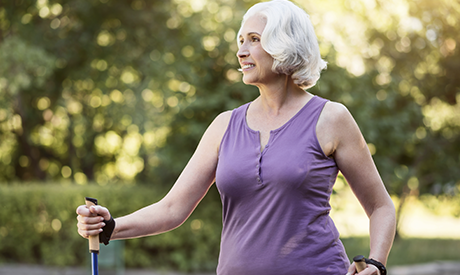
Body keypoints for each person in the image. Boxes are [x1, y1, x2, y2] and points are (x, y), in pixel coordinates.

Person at [76, 0, 396, 274]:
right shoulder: (224, 126)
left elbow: (381, 206)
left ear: (285, 43)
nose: (241, 51)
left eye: (254, 39)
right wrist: (110, 227)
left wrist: (376, 264)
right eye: (240, 41)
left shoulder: (331, 119)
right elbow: (173, 207)